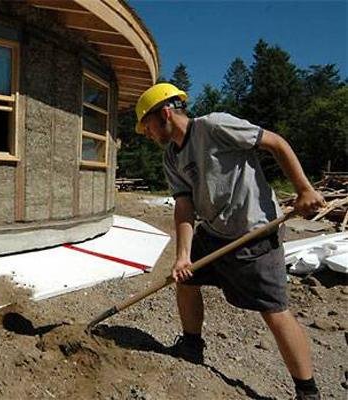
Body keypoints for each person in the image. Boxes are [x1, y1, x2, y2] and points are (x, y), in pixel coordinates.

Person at [134, 83, 325, 400]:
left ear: (165, 113)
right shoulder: (171, 158)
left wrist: (304, 189)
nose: (147, 134)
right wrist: (182, 256)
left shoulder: (215, 126)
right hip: (214, 232)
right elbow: (184, 206)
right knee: (185, 278)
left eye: (147, 126)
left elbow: (275, 143)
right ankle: (192, 345)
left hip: (254, 233)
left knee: (273, 309)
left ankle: (308, 391)